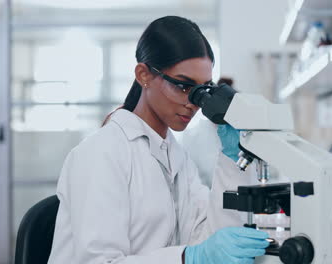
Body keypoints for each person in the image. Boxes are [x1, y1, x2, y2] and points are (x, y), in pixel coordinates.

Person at [47, 16, 269, 264]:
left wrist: (232, 162)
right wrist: (188, 258)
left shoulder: (177, 158)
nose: (192, 103)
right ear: (144, 75)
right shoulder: (101, 153)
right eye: (183, 86)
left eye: (202, 90)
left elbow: (210, 239)